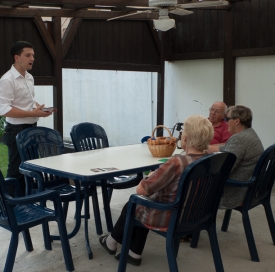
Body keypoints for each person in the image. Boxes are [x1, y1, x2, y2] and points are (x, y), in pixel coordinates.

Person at [99, 115, 214, 266]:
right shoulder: (211, 159)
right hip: (198, 214)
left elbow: (141, 190)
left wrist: (152, 176)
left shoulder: (177, 162)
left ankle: (111, 242)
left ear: (185, 138)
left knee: (134, 203)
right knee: (145, 203)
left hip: (172, 217)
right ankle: (133, 253)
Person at [0, 41, 53, 188]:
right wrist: (31, 112)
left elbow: (27, 101)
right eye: (28, 55)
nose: (32, 59)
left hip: (32, 127)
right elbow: (4, 110)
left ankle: (29, 203)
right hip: (16, 130)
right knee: (16, 171)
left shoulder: (29, 77)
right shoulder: (6, 80)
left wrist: (38, 108)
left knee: (32, 168)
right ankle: (12, 206)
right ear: (17, 57)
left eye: (33, 55)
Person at [207, 104, 264, 208]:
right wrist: (207, 148)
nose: (226, 122)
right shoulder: (249, 133)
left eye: (227, 119)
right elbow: (230, 149)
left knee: (190, 188)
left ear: (237, 121)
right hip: (249, 189)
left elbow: (224, 170)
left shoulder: (239, 139)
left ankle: (191, 221)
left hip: (233, 193)